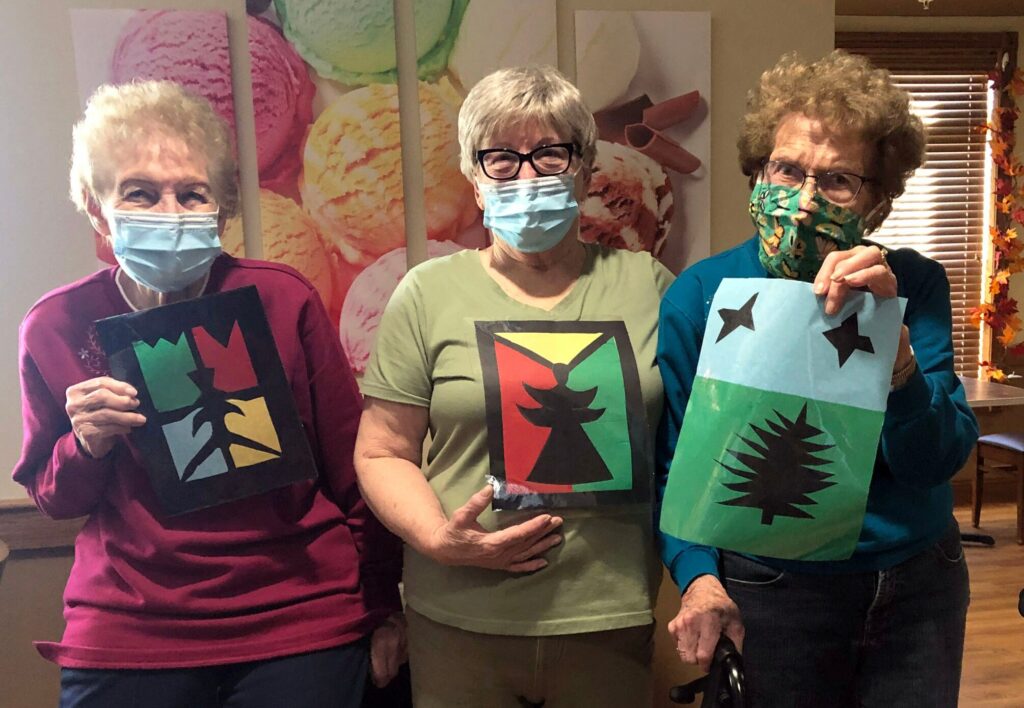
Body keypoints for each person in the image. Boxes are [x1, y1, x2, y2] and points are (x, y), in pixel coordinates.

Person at [13, 80, 405, 708]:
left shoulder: (281, 299)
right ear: (95, 206)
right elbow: (54, 497)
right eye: (139, 193)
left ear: (221, 212)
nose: (169, 214)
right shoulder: (57, 324)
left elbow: (354, 467)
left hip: (299, 614)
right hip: (130, 626)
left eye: (191, 194)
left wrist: (383, 605)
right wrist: (87, 444)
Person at [656, 50, 979, 706]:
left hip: (917, 582)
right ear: (756, 173)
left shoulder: (913, 285)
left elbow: (936, 460)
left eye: (836, 180)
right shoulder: (703, 294)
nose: (802, 202)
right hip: (774, 587)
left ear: (876, 200)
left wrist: (899, 359)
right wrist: (698, 577)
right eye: (786, 169)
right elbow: (677, 465)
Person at [354, 65, 673, 708]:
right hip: (458, 620)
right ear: (474, 180)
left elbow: (689, 446)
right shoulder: (426, 293)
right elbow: (382, 450)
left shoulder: (650, 286)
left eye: (549, 153)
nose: (527, 177)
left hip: (606, 617)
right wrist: (437, 538)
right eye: (501, 158)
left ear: (583, 169)